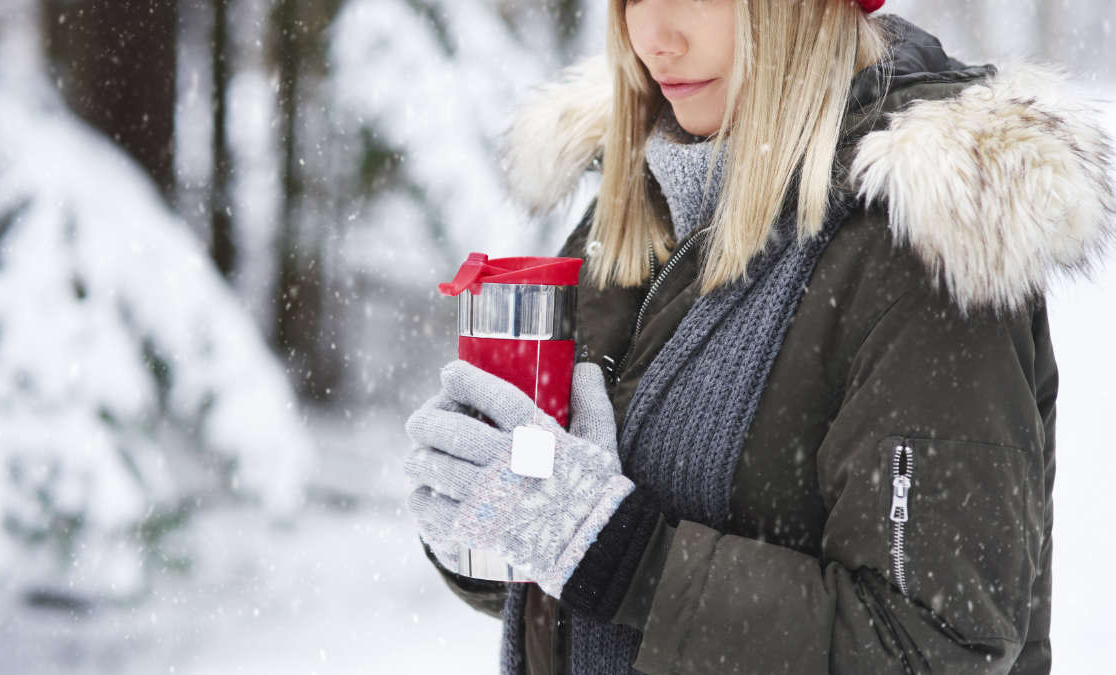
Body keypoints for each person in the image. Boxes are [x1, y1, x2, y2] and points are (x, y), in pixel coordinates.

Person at [403, 1, 1115, 673]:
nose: (656, 37)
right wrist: (495, 516)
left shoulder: (919, 253)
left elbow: (930, 647)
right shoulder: (641, 194)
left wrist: (620, 553)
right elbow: (571, 579)